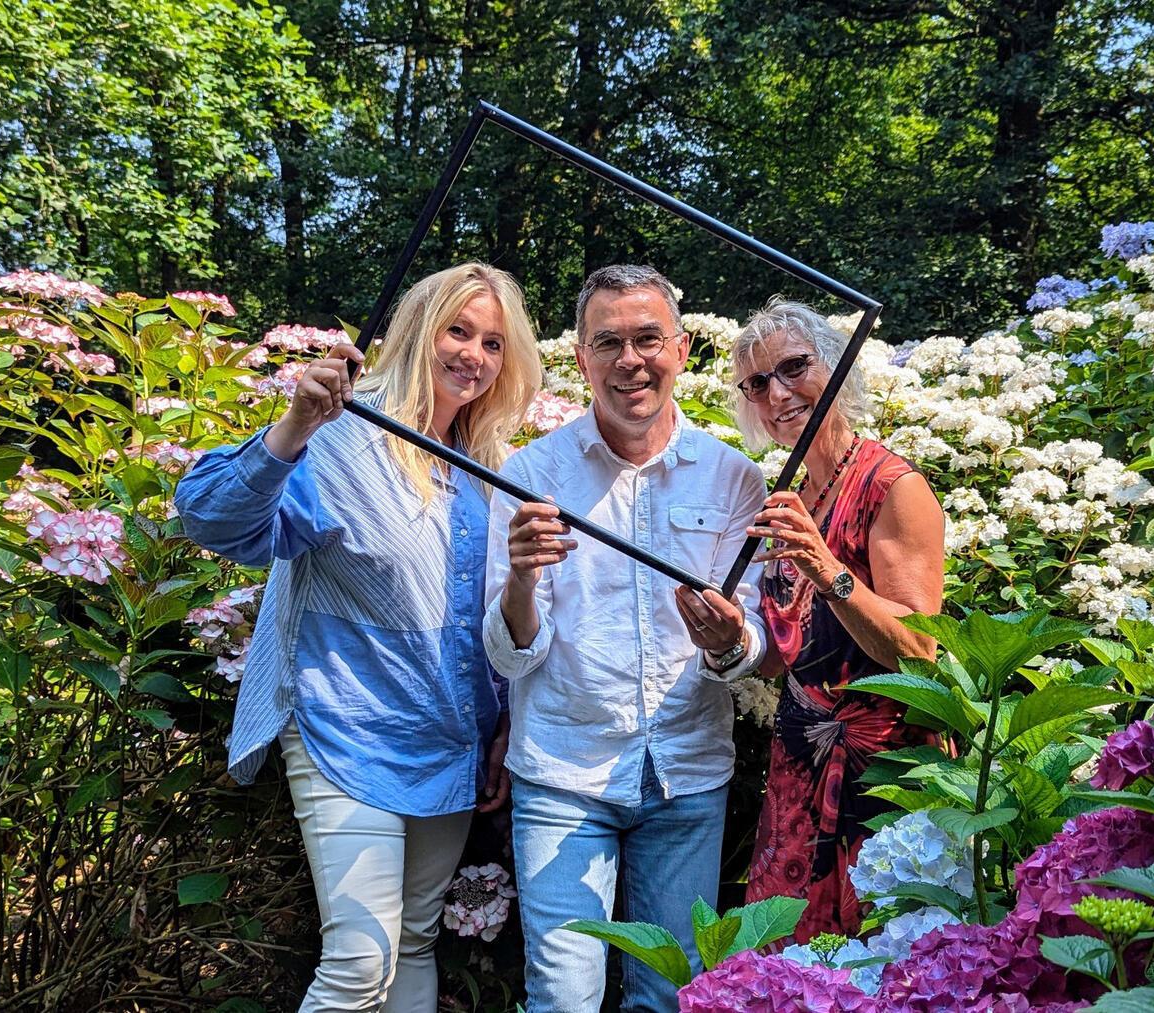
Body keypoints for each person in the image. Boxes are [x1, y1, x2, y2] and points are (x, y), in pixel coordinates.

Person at [174, 263, 540, 1012]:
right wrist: (295, 425)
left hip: (447, 742)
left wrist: (499, 729)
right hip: (345, 730)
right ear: (415, 332)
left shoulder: (489, 469)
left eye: (494, 342)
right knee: (357, 962)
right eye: (458, 330)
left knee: (411, 941)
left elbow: (489, 629)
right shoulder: (343, 437)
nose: (474, 353)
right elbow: (212, 520)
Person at [482, 264, 768, 1012]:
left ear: (680, 349)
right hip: (563, 775)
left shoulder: (734, 478)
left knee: (672, 996)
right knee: (564, 998)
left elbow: (756, 644)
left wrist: (729, 639)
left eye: (647, 338)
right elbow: (508, 653)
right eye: (608, 342)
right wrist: (518, 579)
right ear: (581, 359)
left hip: (687, 773)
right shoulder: (530, 474)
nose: (629, 360)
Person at [731, 300, 945, 942]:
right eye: (757, 383)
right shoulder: (788, 496)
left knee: (881, 962)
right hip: (797, 771)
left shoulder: (892, 486)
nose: (778, 393)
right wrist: (725, 640)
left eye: (794, 367)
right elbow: (785, 658)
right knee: (790, 970)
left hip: (881, 778)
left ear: (838, 369)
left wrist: (827, 568)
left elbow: (917, 649)